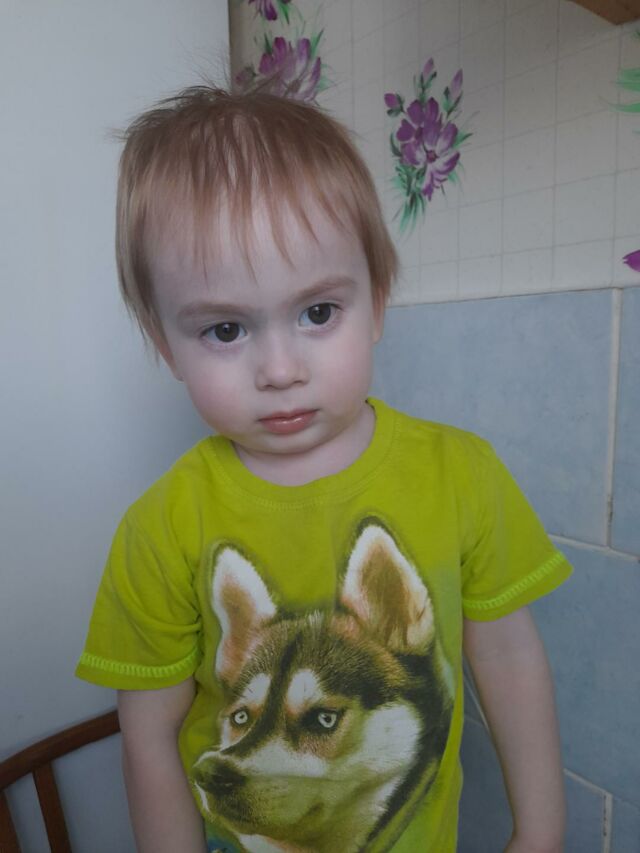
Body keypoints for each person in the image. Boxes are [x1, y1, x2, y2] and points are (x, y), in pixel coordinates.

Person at [76, 85, 572, 853]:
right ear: (165, 342)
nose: (280, 369)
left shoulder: (463, 474)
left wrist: (540, 832)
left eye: (317, 312)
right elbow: (149, 733)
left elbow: (507, 656)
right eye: (225, 328)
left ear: (377, 301)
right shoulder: (159, 528)